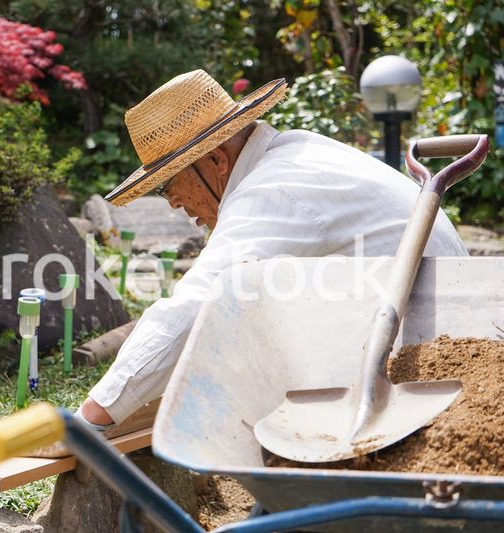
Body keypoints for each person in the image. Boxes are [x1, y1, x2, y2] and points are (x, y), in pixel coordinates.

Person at [76, 69, 468, 430]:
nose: (174, 202)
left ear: (216, 160)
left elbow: (200, 304)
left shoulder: (270, 191)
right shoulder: (296, 153)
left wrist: (93, 417)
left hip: (435, 360)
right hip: (428, 330)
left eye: (168, 185)